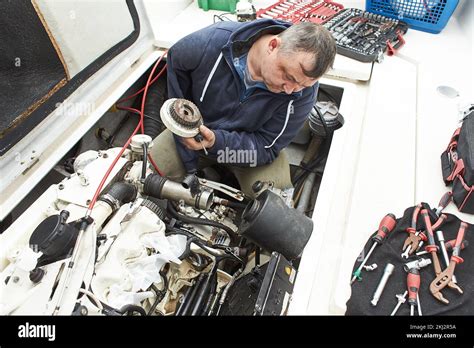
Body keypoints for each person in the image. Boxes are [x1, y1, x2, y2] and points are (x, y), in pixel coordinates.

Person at [150, 19, 336, 197]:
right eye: (289, 76)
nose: (290, 90)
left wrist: (217, 143)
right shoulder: (209, 43)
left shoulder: (303, 94)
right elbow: (176, 63)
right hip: (192, 136)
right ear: (273, 45)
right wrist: (186, 135)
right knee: (147, 168)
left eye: (302, 85)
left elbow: (267, 147)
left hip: (248, 152)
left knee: (274, 208)